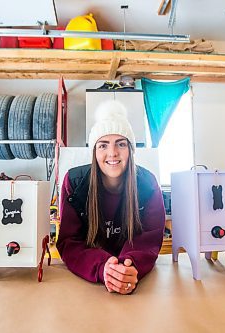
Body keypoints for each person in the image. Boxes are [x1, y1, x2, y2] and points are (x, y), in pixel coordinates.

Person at [56, 100, 166, 295]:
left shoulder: (148, 184)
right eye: (103, 145)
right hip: (87, 285)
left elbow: (150, 237)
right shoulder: (74, 183)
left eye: (121, 144)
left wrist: (129, 267)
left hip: (132, 275)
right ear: (94, 152)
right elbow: (70, 242)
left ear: (131, 150)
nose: (112, 153)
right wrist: (102, 267)